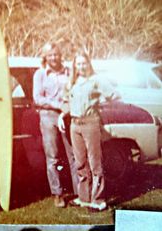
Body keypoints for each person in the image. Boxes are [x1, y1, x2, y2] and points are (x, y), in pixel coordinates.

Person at [58, 51, 119, 211]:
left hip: (91, 123)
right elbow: (66, 101)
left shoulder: (96, 80)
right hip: (75, 125)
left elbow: (114, 95)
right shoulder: (72, 82)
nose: (81, 66)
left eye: (84, 63)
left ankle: (98, 200)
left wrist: (100, 105)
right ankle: (84, 198)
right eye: (78, 64)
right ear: (74, 66)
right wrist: (61, 116)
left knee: (95, 163)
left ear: (88, 64)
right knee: (80, 163)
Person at [33, 43, 78, 208]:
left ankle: (80, 193)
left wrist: (66, 107)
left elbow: (74, 91)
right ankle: (57, 194)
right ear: (45, 56)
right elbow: (37, 98)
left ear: (60, 55)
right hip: (48, 117)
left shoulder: (69, 72)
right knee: (52, 157)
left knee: (74, 154)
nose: (54, 58)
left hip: (67, 116)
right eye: (50, 55)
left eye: (56, 54)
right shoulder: (40, 74)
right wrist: (57, 105)